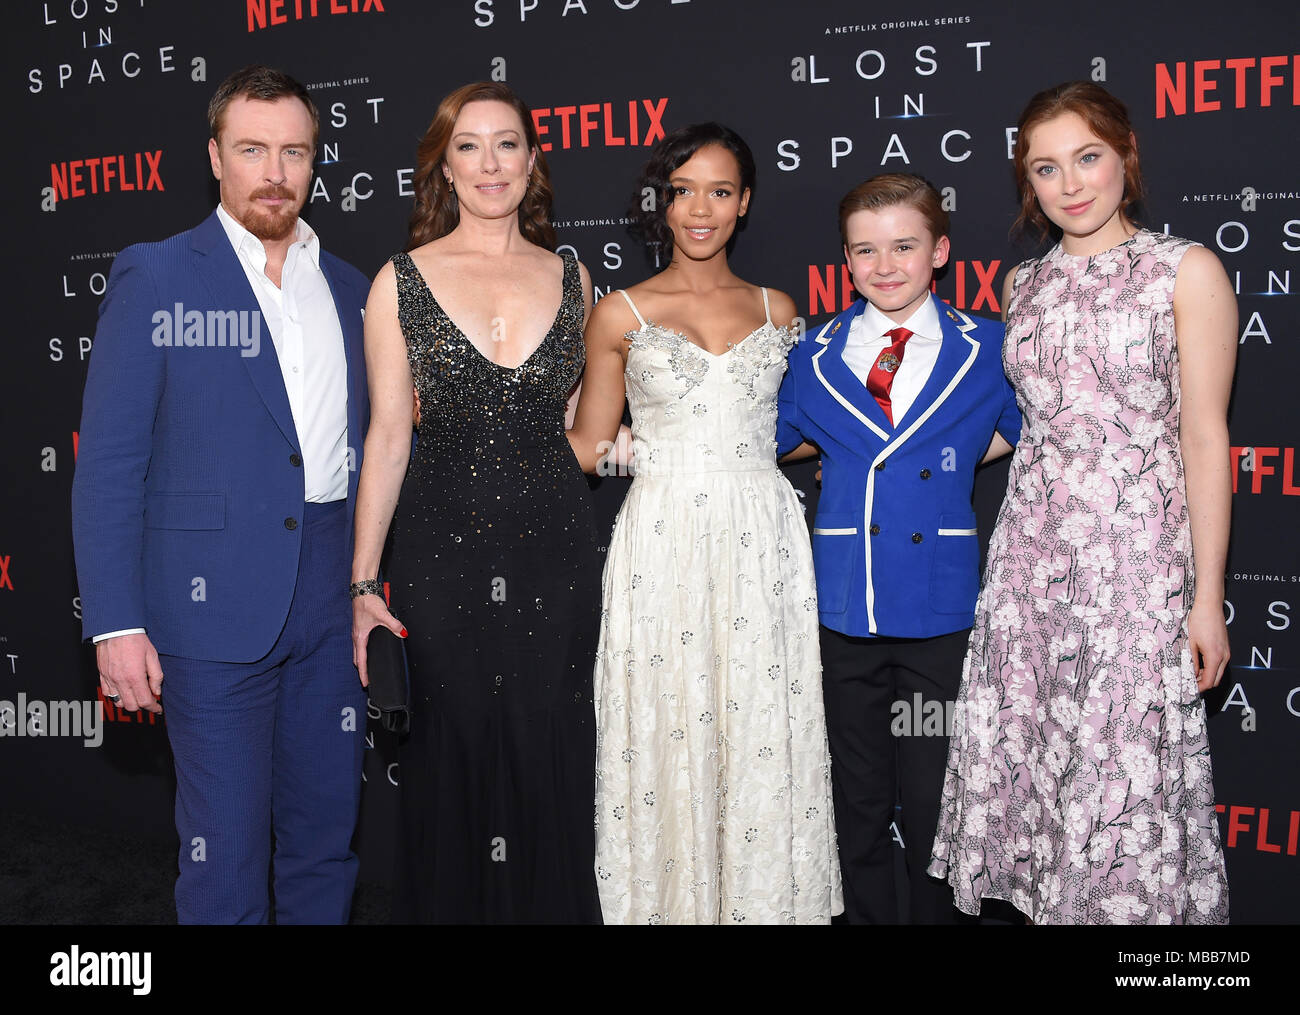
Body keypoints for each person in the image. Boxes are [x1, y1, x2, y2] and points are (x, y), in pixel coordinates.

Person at [71, 66, 371, 924]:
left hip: (329, 590)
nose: (273, 170)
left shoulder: (352, 289)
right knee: (225, 864)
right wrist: (117, 622)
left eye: (292, 151)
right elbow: (110, 465)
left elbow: (379, 447)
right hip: (207, 608)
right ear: (214, 156)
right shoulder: (157, 276)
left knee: (324, 845)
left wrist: (365, 587)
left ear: (314, 162)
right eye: (251, 149)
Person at [928, 81, 1234, 924]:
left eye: (1087, 157)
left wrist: (1206, 598)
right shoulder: (1023, 285)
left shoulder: (1187, 267)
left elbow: (1205, 436)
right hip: (1031, 560)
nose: (1072, 184)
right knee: (1044, 771)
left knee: (1124, 775)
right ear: (1029, 182)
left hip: (1137, 564)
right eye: (1047, 168)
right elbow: (1027, 425)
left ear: (1125, 155)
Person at [568, 123, 841, 924]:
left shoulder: (777, 307)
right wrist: (634, 456)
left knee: (760, 723)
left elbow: (785, 429)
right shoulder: (620, 312)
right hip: (664, 537)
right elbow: (590, 447)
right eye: (683, 190)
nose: (700, 209)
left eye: (719, 191)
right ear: (662, 200)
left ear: (744, 202)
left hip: (762, 535)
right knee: (671, 726)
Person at [350, 81, 602, 924]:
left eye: (507, 144)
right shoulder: (400, 281)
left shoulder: (575, 278)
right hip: (439, 553)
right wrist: (362, 587)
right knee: (452, 755)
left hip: (557, 554)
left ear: (534, 162)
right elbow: (387, 438)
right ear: (444, 168)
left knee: (548, 748)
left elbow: (579, 429)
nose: (490, 162)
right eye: (469, 145)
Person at [775, 174, 1022, 923]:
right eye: (866, 250)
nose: (885, 265)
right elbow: (766, 440)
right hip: (845, 612)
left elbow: (1033, 432)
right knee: (855, 802)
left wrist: (932, 463)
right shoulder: (811, 352)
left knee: (935, 803)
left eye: (905, 246)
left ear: (939, 251)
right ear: (845, 261)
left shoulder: (989, 345)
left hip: (939, 617)